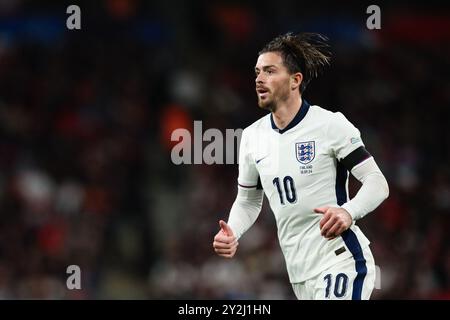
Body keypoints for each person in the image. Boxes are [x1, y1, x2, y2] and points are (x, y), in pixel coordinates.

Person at [212, 32, 389, 300]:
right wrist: (232, 231)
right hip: (299, 274)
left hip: (340, 259)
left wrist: (348, 212)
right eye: (257, 72)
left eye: (270, 71)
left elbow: (377, 182)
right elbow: (248, 201)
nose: (259, 79)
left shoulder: (330, 125)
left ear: (295, 80)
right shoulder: (251, 137)